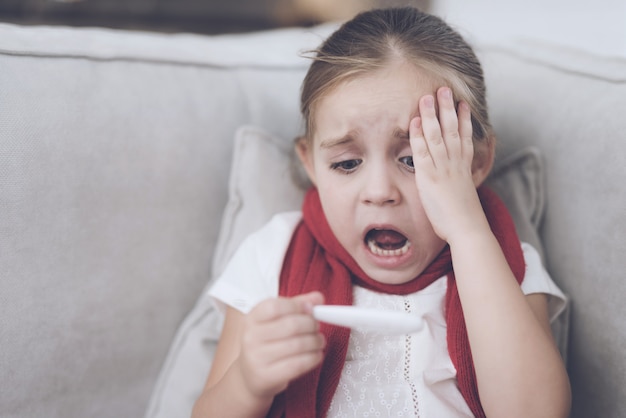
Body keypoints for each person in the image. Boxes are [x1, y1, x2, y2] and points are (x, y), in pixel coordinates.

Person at [192, 7, 571, 418]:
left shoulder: (502, 262)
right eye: (346, 164)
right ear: (310, 163)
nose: (379, 192)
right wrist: (248, 380)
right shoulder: (273, 254)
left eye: (413, 159)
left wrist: (467, 231)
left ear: (476, 164)